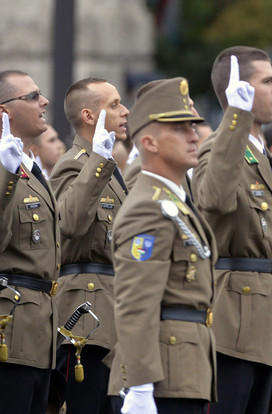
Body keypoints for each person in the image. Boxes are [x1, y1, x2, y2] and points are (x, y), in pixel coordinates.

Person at [192, 47, 272, 413]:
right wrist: (234, 119)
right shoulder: (220, 146)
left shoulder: (259, 152)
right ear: (239, 89)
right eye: (269, 81)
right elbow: (212, 201)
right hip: (233, 320)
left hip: (264, 316)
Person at [107, 77, 218, 414]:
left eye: (193, 127)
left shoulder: (173, 200)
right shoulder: (148, 207)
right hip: (161, 378)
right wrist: (140, 386)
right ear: (150, 142)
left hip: (185, 368)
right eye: (181, 129)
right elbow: (135, 302)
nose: (194, 135)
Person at [49, 77, 129, 414]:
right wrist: (98, 159)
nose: (125, 111)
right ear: (89, 115)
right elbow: (69, 223)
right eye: (114, 105)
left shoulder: (106, 167)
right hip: (85, 317)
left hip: (111, 315)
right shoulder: (75, 163)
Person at [0, 70, 60, 413]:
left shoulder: (29, 166)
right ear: (4, 111)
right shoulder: (5, 165)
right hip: (10, 329)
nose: (44, 101)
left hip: (39, 330)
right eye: (32, 96)